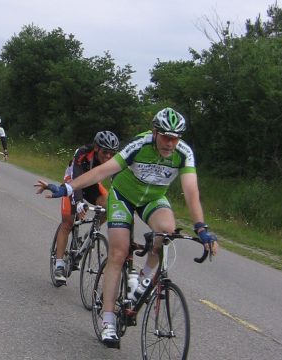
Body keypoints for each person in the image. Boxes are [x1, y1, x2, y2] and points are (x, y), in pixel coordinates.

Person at [34, 108, 218, 348]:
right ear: (154, 132)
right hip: (123, 196)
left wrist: (201, 228)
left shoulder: (184, 153)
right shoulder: (140, 145)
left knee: (167, 231)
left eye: (175, 138)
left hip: (153, 198)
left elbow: (191, 191)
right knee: (119, 253)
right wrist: (67, 189)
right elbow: (103, 170)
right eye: (165, 136)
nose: (170, 143)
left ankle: (142, 280)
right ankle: (108, 320)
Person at [51, 131, 119, 286]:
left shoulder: (114, 159)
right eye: (105, 152)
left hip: (93, 183)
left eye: (112, 153)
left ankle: (90, 235)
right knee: (68, 222)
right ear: (96, 148)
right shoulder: (82, 153)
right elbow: (76, 178)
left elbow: (118, 182)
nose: (108, 157)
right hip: (73, 181)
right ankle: (59, 265)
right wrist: (79, 202)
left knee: (109, 205)